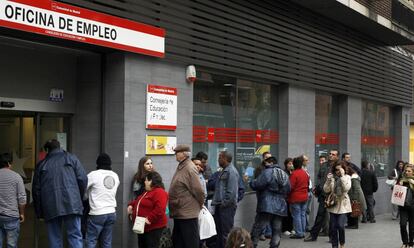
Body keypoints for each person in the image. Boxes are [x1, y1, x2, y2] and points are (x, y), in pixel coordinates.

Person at [32, 139, 88, 248]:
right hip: (72, 204)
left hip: (50, 206)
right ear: (60, 147)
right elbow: (83, 179)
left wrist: (39, 212)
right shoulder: (71, 158)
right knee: (75, 236)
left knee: (54, 239)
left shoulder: (42, 164)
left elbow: (36, 191)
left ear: (47, 150)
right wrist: (78, 198)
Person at [250, 156, 290, 248]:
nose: (264, 165)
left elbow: (257, 184)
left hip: (267, 204)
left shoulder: (267, 172)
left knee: (258, 227)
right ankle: (274, 246)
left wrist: (252, 182)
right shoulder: (284, 174)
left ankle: (252, 245)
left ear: (271, 163)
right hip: (280, 205)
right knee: (276, 229)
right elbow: (288, 189)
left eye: (266, 163)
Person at [169, 145, 205, 248]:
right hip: (180, 212)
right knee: (178, 242)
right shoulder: (182, 165)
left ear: (184, 154)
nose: (175, 154)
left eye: (177, 152)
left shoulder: (189, 168)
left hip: (187, 213)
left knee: (190, 242)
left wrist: (200, 203)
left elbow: (199, 190)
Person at [85, 153, 120, 248]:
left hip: (97, 213)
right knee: (106, 242)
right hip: (111, 212)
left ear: (98, 163)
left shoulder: (93, 175)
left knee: (91, 241)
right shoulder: (115, 176)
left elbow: (83, 188)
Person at [305, 149, 339, 242]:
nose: (331, 155)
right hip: (323, 195)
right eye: (330, 153)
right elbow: (319, 176)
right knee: (320, 216)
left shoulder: (339, 166)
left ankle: (332, 237)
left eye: (333, 154)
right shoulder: (324, 165)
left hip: (333, 195)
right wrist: (319, 186)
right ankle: (313, 235)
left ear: (337, 156)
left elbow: (340, 179)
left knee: (332, 217)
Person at [128, 171, 168, 248]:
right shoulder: (147, 192)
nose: (145, 182)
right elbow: (138, 201)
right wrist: (130, 205)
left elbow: (160, 209)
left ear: (151, 181)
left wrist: (149, 219)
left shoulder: (159, 192)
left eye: (146, 180)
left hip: (153, 229)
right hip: (142, 228)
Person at [209, 151, 240, 248]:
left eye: (220, 158)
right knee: (219, 232)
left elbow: (231, 192)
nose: (218, 160)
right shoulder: (224, 170)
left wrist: (223, 204)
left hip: (227, 208)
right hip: (220, 206)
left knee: (226, 233)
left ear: (225, 159)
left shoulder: (231, 172)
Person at [0, 153, 26, 248]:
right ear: (8, 163)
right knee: (11, 245)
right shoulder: (16, 176)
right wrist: (22, 213)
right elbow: (22, 197)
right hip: (11, 216)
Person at [324, 161, 352, 248]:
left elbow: (347, 188)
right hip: (334, 204)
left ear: (343, 169)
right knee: (333, 227)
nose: (338, 172)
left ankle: (342, 243)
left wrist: (342, 176)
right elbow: (326, 190)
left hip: (343, 204)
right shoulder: (332, 178)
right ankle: (334, 246)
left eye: (340, 169)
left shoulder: (347, 177)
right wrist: (328, 180)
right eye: (336, 170)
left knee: (340, 225)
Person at [288, 156, 309, 239]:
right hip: (304, 196)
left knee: (296, 215)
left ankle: (299, 233)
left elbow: (290, 187)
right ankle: (302, 231)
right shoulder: (304, 173)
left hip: (295, 197)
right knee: (302, 214)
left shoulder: (294, 174)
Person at [397, 164, 414, 248]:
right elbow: (395, 191)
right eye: (406, 171)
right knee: (403, 224)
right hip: (403, 206)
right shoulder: (401, 179)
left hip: (413, 207)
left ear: (413, 173)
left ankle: (411, 243)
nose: (407, 172)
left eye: (409, 171)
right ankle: (405, 242)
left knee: (412, 227)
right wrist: (399, 185)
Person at [345, 165, 366, 230]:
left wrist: (354, 199)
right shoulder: (353, 177)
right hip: (354, 196)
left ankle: (354, 225)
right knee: (353, 210)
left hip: (356, 197)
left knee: (355, 210)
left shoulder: (353, 178)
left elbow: (356, 189)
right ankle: (351, 224)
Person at [281, 158, 294, 236]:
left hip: (290, 195)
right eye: (289, 163)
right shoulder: (284, 172)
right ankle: (285, 229)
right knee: (286, 213)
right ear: (286, 165)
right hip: (285, 196)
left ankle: (290, 228)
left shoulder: (292, 172)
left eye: (292, 163)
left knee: (290, 213)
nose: (291, 165)